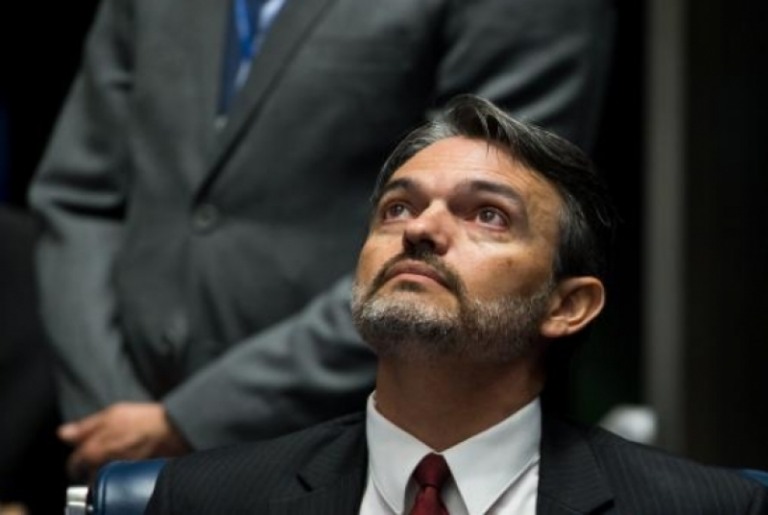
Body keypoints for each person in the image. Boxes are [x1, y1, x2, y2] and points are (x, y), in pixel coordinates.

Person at [27, 0, 616, 479]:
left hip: (372, 439)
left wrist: (192, 420)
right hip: (110, 427)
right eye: (399, 206)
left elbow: (495, 224)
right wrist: (107, 409)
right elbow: (80, 197)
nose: (417, 224)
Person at [145, 95, 768, 514]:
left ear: (567, 306)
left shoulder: (702, 507)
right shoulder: (204, 499)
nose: (420, 229)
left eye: (488, 215)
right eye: (398, 208)